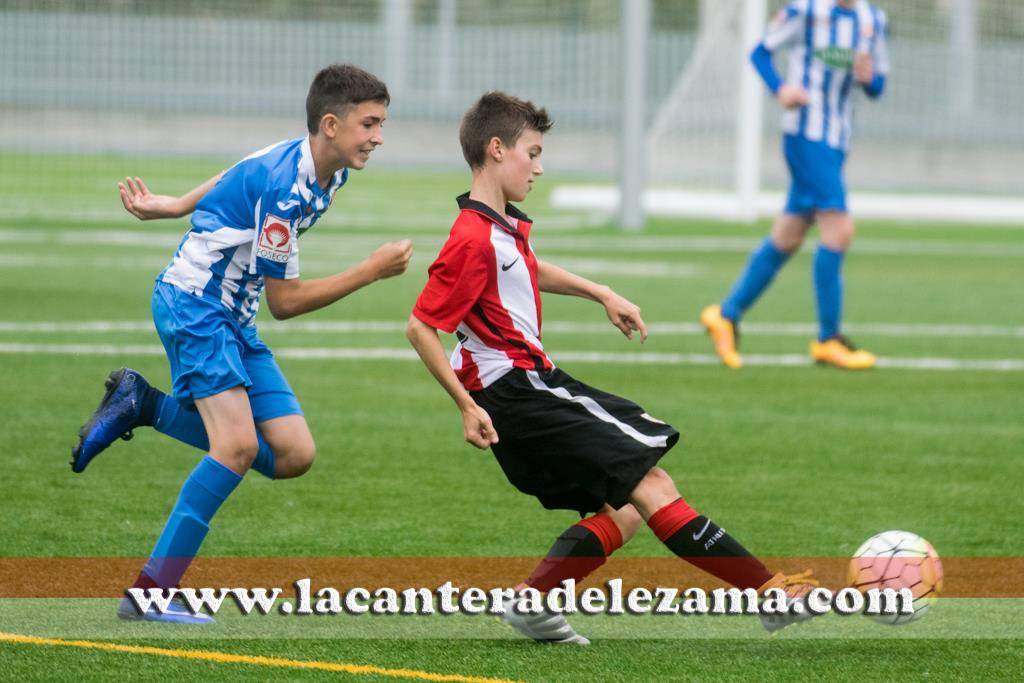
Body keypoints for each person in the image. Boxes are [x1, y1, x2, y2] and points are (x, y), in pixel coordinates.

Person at [405, 92, 818, 644]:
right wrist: (466, 404)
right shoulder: (472, 236)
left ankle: (534, 605)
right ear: (497, 149)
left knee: (621, 511)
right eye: (533, 152)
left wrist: (600, 292)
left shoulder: (498, 226)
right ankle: (770, 593)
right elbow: (420, 326)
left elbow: (527, 269)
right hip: (519, 389)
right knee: (652, 484)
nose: (540, 166)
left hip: (521, 391)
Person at [70, 64, 413, 623]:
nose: (379, 136)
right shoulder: (287, 190)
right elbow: (288, 302)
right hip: (197, 306)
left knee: (293, 454)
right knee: (236, 448)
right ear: (330, 124)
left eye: (381, 124)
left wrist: (178, 204)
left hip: (232, 317)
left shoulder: (323, 167)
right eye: (369, 124)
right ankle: (149, 593)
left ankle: (145, 404)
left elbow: (240, 168)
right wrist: (371, 270)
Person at [702, 0, 889, 370]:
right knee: (839, 230)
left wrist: (870, 79)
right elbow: (759, 53)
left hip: (838, 141)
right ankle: (828, 339)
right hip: (806, 135)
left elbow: (878, 85)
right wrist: (781, 89)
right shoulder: (805, 11)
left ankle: (726, 314)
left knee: (787, 237)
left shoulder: (873, 20)